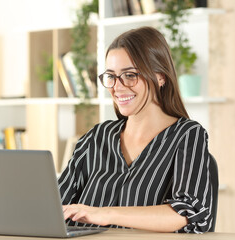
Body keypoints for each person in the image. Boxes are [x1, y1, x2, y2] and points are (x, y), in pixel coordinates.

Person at [58, 26, 214, 233]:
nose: (117, 87)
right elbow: (54, 206)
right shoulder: (95, 138)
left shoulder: (187, 135)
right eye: (111, 76)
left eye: (130, 75)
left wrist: (105, 213)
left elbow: (188, 212)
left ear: (160, 77)